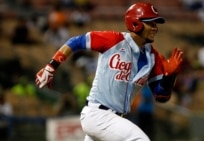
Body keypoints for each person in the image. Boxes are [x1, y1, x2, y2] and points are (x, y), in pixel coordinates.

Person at [35, 2, 183, 141]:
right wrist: (51, 66)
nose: (155, 27)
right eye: (150, 23)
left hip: (114, 120)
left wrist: (170, 76)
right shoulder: (114, 40)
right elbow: (75, 41)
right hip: (97, 114)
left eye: (155, 23)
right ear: (136, 22)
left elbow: (161, 96)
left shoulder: (153, 56)